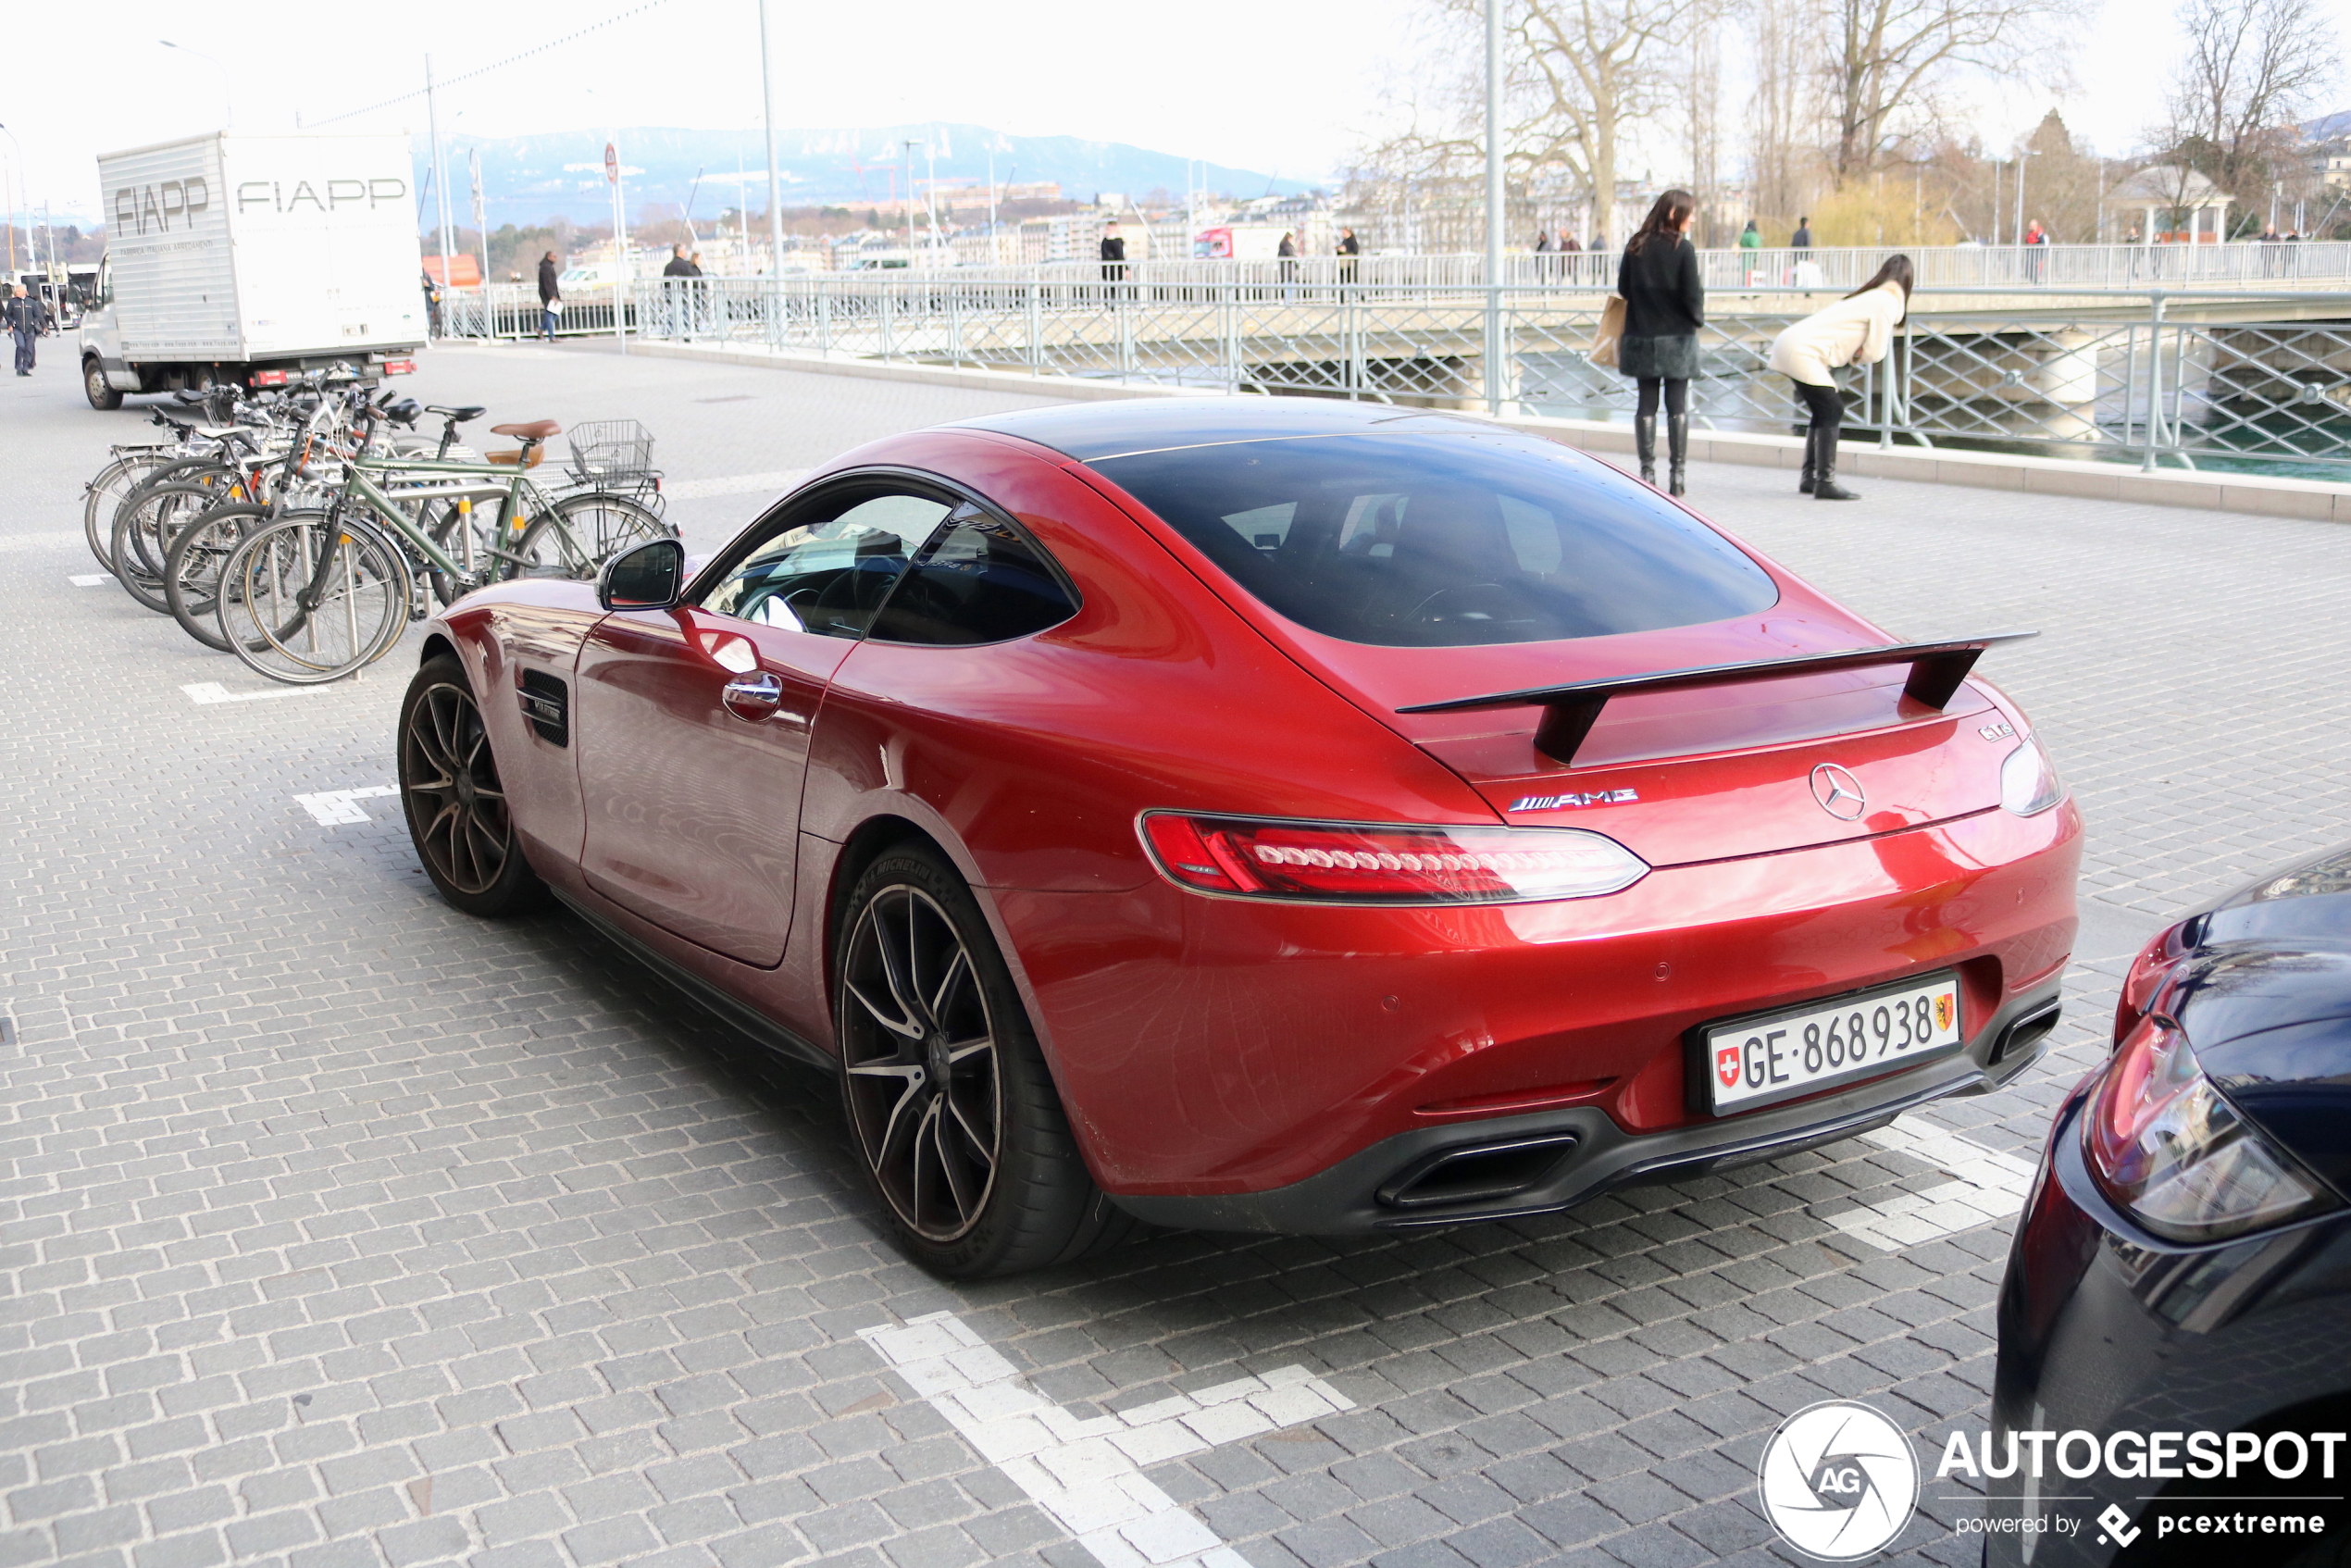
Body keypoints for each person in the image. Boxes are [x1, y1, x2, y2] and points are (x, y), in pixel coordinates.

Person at [1766, 254, 1912, 502]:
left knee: (1823, 410)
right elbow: (1876, 352)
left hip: (1790, 342)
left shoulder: (1870, 296)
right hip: (1803, 351)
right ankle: (1825, 481)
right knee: (1832, 408)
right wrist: (1858, 354)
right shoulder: (1887, 302)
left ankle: (1810, 478)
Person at [1615, 189, 1705, 495]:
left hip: (1641, 336)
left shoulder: (1635, 246)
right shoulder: (1683, 250)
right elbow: (1693, 295)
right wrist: (1696, 319)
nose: (1692, 219)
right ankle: (1677, 476)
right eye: (1689, 213)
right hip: (1677, 339)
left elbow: (1623, 289)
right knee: (1677, 405)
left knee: (1646, 404)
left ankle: (1647, 473)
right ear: (1672, 214)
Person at [5, 284, 48, 376]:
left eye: (19, 291)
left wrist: (43, 325)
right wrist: (11, 323)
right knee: (21, 346)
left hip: (30, 329)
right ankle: (18, 367)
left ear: (24, 291)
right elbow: (7, 314)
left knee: (29, 349)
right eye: (16, 291)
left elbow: (38, 315)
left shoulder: (31, 302)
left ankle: (25, 368)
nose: (16, 292)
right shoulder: (12, 302)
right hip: (18, 329)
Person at [537, 251, 561, 342]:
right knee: (550, 315)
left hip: (550, 294)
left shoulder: (547, 267)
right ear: (549, 257)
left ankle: (541, 329)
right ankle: (551, 336)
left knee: (554, 313)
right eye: (554, 256)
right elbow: (547, 283)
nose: (556, 258)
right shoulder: (546, 268)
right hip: (548, 295)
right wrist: (552, 296)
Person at [1099, 221, 1127, 285]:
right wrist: (1126, 269)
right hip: (1116, 271)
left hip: (1107, 270)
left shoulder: (1104, 241)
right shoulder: (1117, 242)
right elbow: (1120, 256)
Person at [420, 270, 443, 339]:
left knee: (428, 322)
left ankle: (428, 338)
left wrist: (427, 285)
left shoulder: (425, 275)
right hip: (421, 303)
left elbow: (432, 287)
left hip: (427, 303)